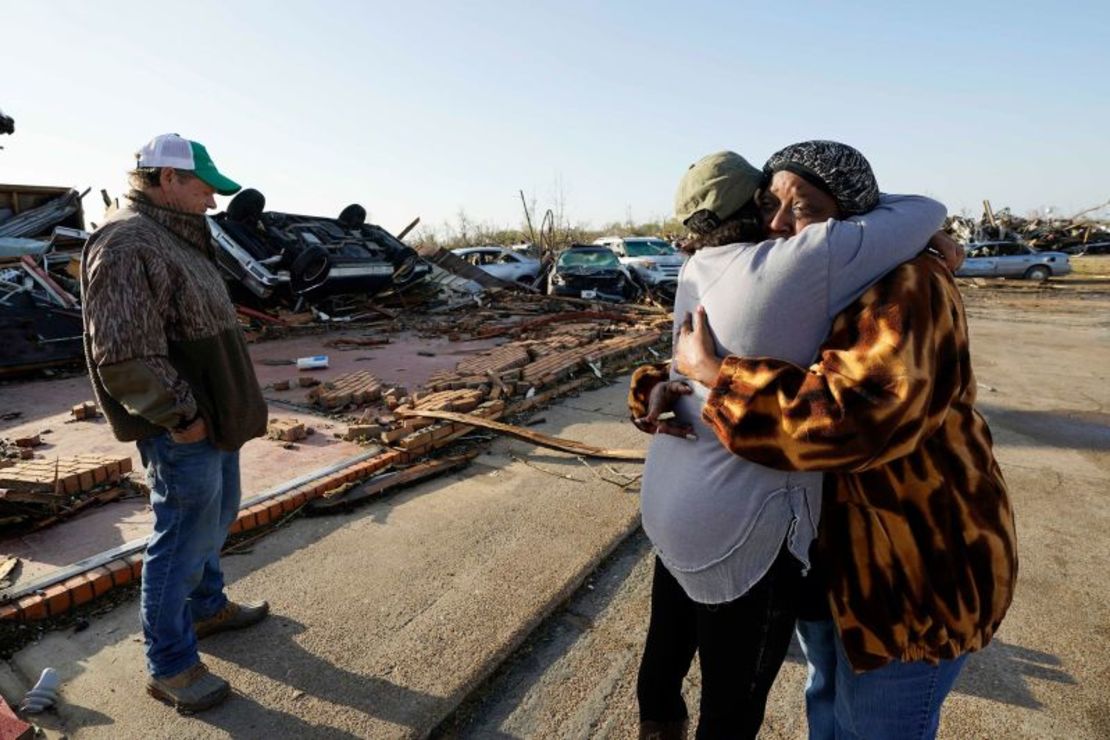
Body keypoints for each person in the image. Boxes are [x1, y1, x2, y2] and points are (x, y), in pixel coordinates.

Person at [635, 142, 1017, 739]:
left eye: (805, 209)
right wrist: (664, 386)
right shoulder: (806, 270)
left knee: (876, 726)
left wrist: (717, 377)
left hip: (908, 572)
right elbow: (767, 347)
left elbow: (853, 423)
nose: (779, 225)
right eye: (771, 203)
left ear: (854, 217)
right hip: (830, 564)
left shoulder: (909, 285)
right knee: (828, 709)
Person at [81, 133, 270, 713]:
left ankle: (207, 609)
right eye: (205, 189)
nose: (213, 202)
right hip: (185, 428)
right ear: (167, 180)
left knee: (214, 521)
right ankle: (170, 665)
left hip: (216, 422)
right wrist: (181, 417)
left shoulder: (177, 235)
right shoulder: (128, 241)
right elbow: (123, 354)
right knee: (180, 542)